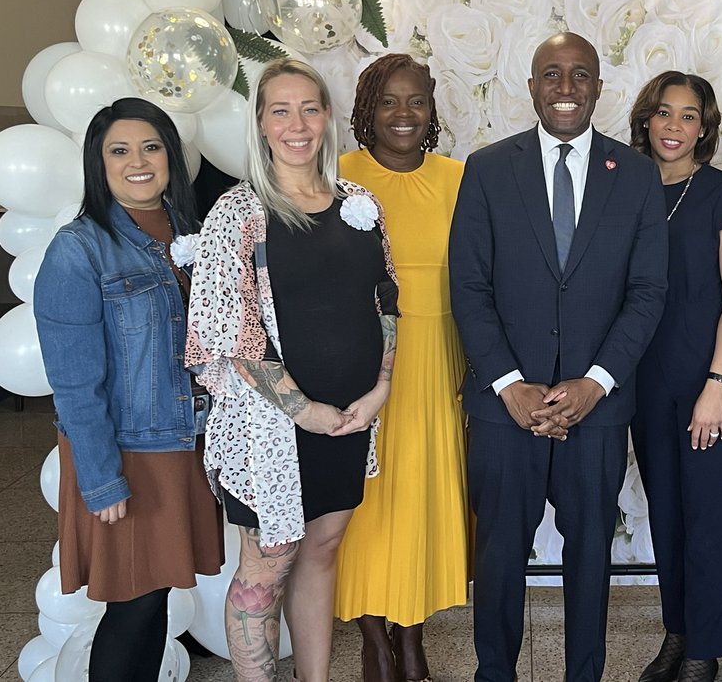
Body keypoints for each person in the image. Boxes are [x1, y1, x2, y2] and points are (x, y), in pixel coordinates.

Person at [449, 31, 669, 682]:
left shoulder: (633, 174)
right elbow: (468, 285)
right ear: (532, 87)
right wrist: (510, 384)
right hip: (502, 411)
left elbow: (647, 290)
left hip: (596, 412)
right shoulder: (488, 169)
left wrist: (596, 383)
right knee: (498, 559)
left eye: (580, 76)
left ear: (600, 87)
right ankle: (496, 673)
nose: (566, 88)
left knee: (590, 560)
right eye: (552, 74)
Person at [185, 58, 398, 682]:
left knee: (323, 551)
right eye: (280, 109)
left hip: (351, 416)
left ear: (327, 117)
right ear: (260, 123)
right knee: (266, 566)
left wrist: (381, 386)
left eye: (309, 107)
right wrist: (302, 408)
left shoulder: (360, 204)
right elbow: (231, 332)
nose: (297, 124)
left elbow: (385, 301)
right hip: (273, 428)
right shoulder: (237, 213)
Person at [34, 98, 223, 682]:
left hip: (185, 442)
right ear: (99, 162)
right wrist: (101, 477)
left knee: (157, 600)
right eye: (119, 150)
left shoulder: (193, 232)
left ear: (170, 156)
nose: (137, 162)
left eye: (151, 147)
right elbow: (73, 381)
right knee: (134, 605)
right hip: (130, 454)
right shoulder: (80, 247)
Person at [627, 72, 722, 682]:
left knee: (713, 516)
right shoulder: (625, 193)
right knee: (668, 516)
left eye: (689, 116)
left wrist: (718, 386)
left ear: (706, 127)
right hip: (649, 380)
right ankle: (678, 634)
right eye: (664, 113)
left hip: (717, 377)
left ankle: (706, 650)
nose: (675, 127)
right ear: (646, 120)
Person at [335, 53, 470, 682]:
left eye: (416, 100)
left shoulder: (459, 178)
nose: (403, 113)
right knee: (366, 501)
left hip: (436, 357)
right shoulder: (337, 178)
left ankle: (411, 634)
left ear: (432, 110)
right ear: (366, 109)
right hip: (359, 363)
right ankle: (370, 633)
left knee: (419, 497)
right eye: (388, 100)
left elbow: (479, 278)